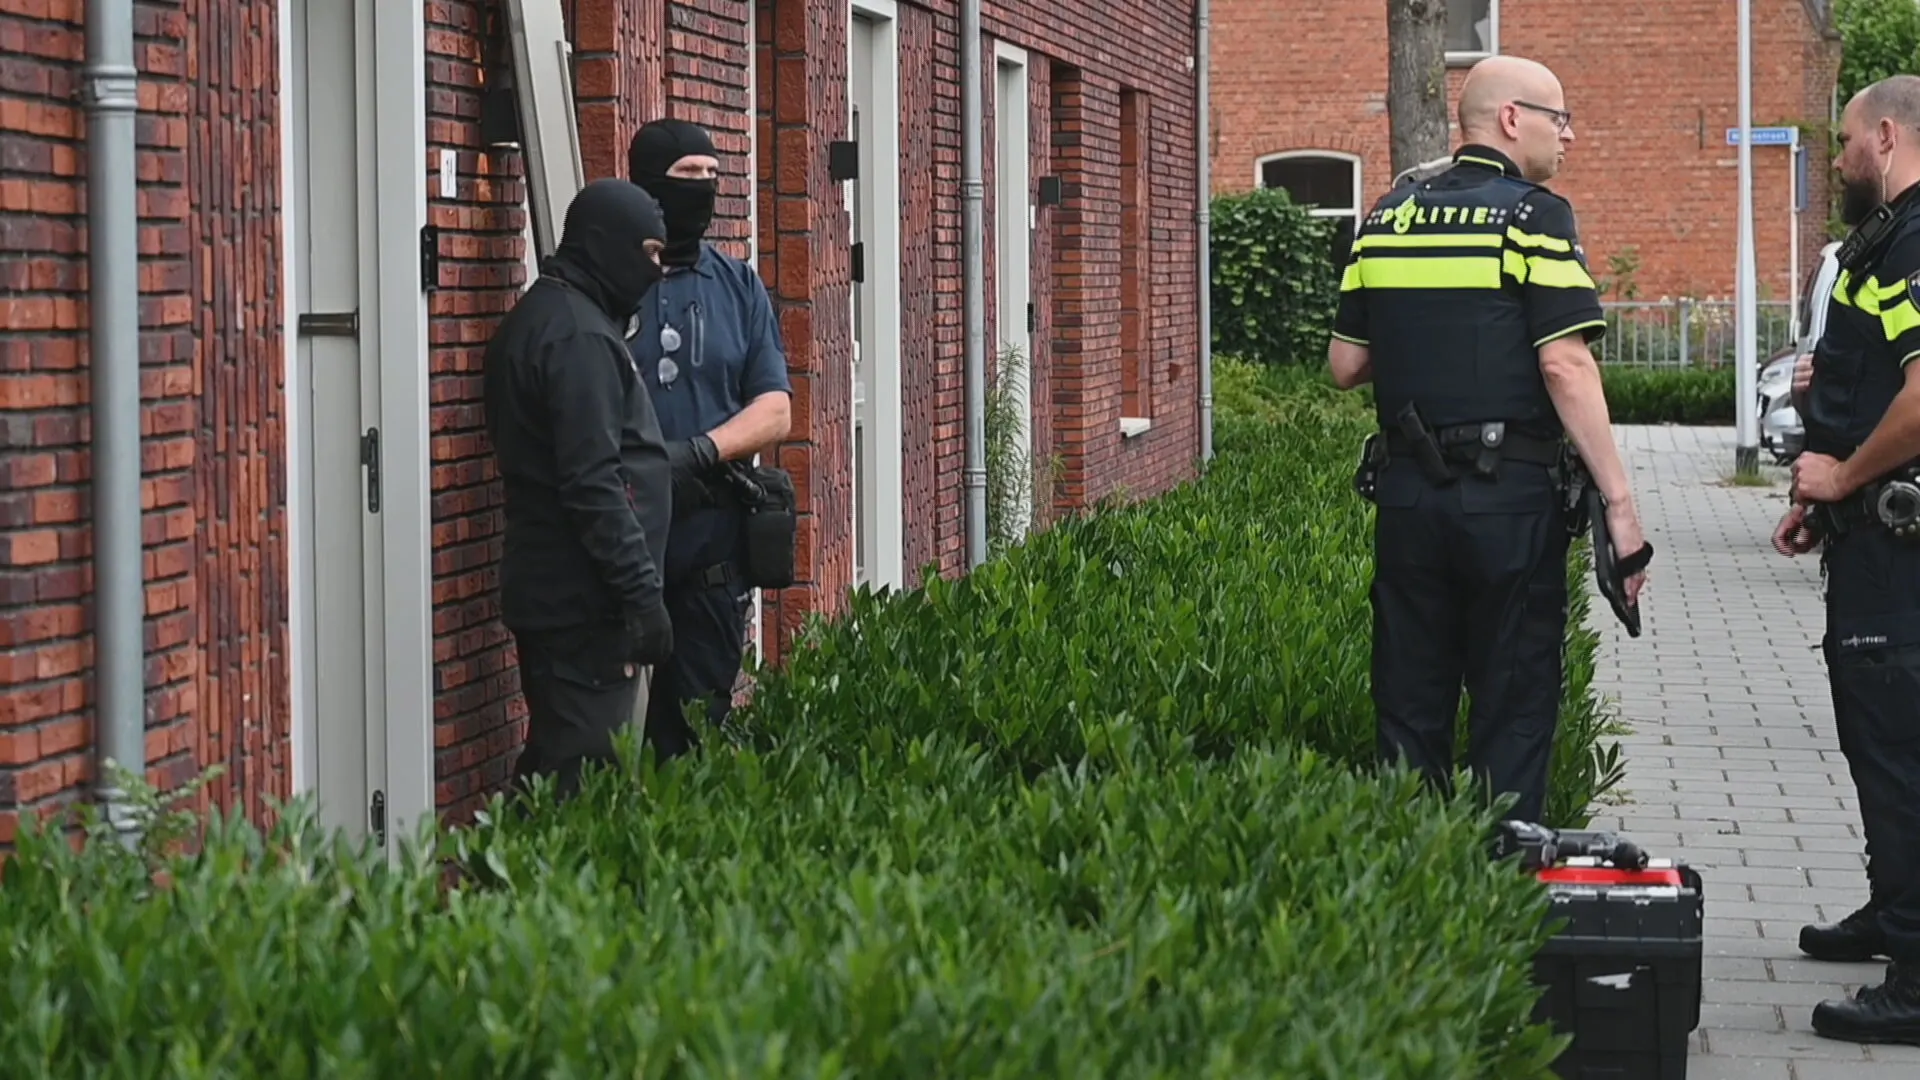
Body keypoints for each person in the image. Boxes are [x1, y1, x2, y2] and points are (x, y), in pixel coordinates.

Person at [1326, 55, 1649, 827]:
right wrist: (1621, 505)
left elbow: (1345, 365)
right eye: (1558, 118)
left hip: (1407, 501)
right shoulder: (1533, 215)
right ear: (1512, 120)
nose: (1567, 136)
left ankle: (1414, 899)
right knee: (1513, 702)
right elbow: (1566, 364)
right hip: (1506, 501)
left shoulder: (1386, 216)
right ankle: (1500, 896)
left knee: (1409, 703)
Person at [1775, 74, 1920, 1046]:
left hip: (1900, 552)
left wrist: (1840, 479)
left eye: (1843, 143)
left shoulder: (1913, 240)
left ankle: (1912, 976)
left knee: (1899, 749)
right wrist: (1824, 505)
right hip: (1871, 535)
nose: (1835, 160)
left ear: (1886, 134)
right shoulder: (1887, 241)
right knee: (1877, 740)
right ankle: (1891, 913)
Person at [482, 177, 678, 802]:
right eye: (648, 253)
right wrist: (642, 598)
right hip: (583, 605)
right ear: (606, 245)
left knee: (559, 761)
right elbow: (593, 483)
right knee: (580, 784)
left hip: (557, 593)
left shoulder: (546, 317)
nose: (656, 271)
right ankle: (523, 896)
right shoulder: (580, 339)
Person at [625, 118, 793, 761]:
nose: (703, 187)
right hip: (621, 550)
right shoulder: (613, 281)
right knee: (604, 749)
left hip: (709, 561)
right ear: (646, 183)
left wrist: (701, 451)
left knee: (693, 742)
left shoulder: (738, 285)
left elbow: (775, 410)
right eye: (685, 175)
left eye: (711, 175)